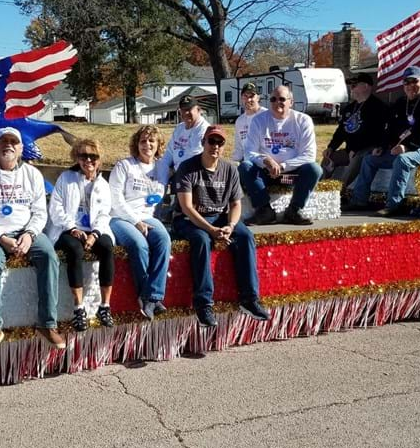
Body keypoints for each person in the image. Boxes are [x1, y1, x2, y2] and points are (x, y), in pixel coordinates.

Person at [0, 126, 63, 354]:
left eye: (13, 142)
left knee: (49, 255)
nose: (8, 145)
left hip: (26, 231)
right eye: (3, 141)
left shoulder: (32, 174)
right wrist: (1, 238)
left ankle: (47, 324)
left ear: (21, 148)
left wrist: (30, 235)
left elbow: (41, 211)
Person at [173, 125, 269, 328]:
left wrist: (231, 226)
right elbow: (187, 207)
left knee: (245, 237)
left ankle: (249, 299)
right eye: (211, 141)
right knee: (201, 240)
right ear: (203, 143)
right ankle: (203, 304)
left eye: (220, 142)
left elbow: (236, 204)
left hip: (220, 217)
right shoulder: (187, 167)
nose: (215, 146)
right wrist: (211, 230)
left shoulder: (230, 169)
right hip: (188, 219)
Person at [348, 66, 420, 216]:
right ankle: (359, 200)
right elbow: (390, 128)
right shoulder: (401, 102)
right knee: (369, 159)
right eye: (406, 83)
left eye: (414, 81)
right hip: (404, 147)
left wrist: (407, 147)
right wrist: (382, 146)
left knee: (402, 160)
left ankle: (394, 205)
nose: (410, 86)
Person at [46, 139, 116, 331]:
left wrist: (94, 234)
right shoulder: (66, 178)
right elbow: (56, 207)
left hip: (94, 228)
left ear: (100, 160)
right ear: (76, 158)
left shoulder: (103, 184)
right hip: (67, 228)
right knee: (74, 249)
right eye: (83, 156)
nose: (88, 160)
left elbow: (105, 213)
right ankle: (79, 308)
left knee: (107, 248)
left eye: (93, 156)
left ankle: (105, 306)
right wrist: (71, 228)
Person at [109, 125, 171, 320]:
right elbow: (115, 199)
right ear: (137, 144)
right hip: (120, 217)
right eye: (143, 141)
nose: (147, 145)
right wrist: (135, 222)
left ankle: (153, 296)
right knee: (139, 244)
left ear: (158, 144)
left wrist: (154, 200)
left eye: (151, 141)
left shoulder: (160, 167)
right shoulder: (124, 166)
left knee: (164, 240)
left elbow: (160, 189)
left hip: (147, 216)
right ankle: (145, 297)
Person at [240, 85, 322, 226]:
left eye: (282, 99)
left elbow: (309, 155)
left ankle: (294, 210)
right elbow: (249, 152)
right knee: (245, 167)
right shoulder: (258, 120)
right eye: (273, 99)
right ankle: (264, 210)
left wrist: (283, 166)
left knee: (314, 169)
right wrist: (265, 160)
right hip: (265, 173)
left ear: (291, 101)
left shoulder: (303, 120)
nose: (278, 102)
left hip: (292, 175)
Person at [321, 73, 390, 196]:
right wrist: (331, 147)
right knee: (328, 159)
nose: (351, 88)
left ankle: (338, 193)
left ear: (366, 86)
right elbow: (341, 131)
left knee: (358, 157)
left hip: (367, 149)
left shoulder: (378, 107)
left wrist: (356, 149)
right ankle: (319, 189)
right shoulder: (349, 108)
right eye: (350, 86)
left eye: (354, 85)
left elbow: (376, 133)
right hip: (350, 150)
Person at [154, 95, 209, 185]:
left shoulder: (203, 129)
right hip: (177, 169)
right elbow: (170, 152)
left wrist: (173, 170)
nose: (186, 113)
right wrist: (163, 167)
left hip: (193, 172)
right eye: (183, 110)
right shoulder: (179, 127)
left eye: (189, 109)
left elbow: (194, 157)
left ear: (198, 110)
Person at [231, 82, 266, 163]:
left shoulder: (266, 116)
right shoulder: (240, 121)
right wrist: (233, 163)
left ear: (258, 98)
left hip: (265, 161)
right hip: (247, 162)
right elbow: (239, 148)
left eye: (251, 96)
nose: (248, 100)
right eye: (245, 96)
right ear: (241, 98)